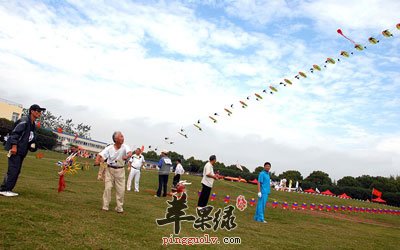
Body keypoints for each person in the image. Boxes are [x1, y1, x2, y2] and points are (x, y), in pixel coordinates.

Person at [0, 104, 44, 197]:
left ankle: (8, 188)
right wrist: (14, 146)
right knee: (13, 170)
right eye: (38, 111)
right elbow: (15, 134)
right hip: (16, 149)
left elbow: (30, 138)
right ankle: (4, 189)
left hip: (22, 150)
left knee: (16, 170)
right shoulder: (24, 121)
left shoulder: (32, 124)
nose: (39, 113)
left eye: (40, 111)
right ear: (32, 111)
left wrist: (33, 145)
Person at [95, 131, 132, 213]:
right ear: (116, 139)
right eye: (121, 136)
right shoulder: (109, 148)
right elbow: (100, 155)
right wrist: (97, 161)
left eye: (122, 136)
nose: (123, 138)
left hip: (120, 170)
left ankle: (119, 208)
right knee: (107, 188)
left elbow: (130, 153)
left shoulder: (125, 146)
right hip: (109, 170)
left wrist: (126, 156)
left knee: (121, 190)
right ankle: (105, 206)